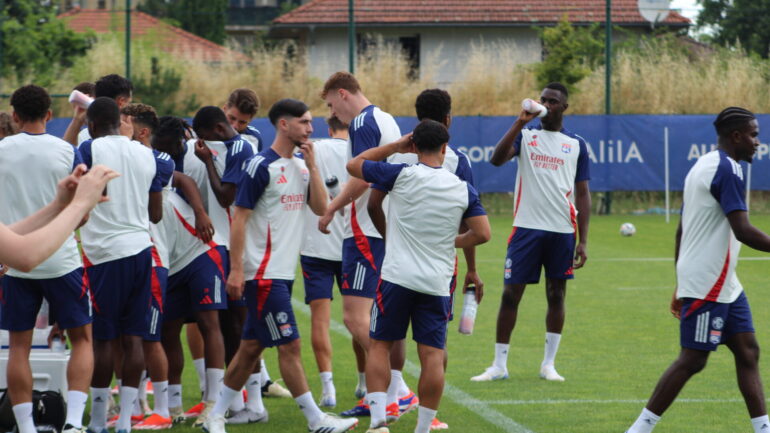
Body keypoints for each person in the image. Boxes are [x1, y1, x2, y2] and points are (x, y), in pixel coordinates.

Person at [202, 98, 357, 433]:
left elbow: (320, 208)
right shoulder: (260, 166)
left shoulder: (301, 166)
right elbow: (239, 219)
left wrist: (314, 166)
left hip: (283, 274)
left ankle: (215, 416)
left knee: (249, 350)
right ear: (283, 124)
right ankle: (316, 420)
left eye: (311, 122)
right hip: (263, 274)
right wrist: (237, 269)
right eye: (303, 122)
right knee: (290, 344)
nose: (310, 128)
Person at [625, 107, 770, 433]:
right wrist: (688, 281)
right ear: (736, 136)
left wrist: (681, 280)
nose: (757, 142)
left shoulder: (703, 164)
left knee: (748, 351)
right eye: (753, 134)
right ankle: (638, 430)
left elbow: (681, 228)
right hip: (710, 282)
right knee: (693, 358)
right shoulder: (728, 169)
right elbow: (743, 230)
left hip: (722, 281)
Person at [345, 120, 490, 433]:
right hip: (436, 282)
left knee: (381, 346)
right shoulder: (462, 188)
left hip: (396, 277)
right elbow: (483, 233)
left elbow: (355, 164)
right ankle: (423, 428)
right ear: (444, 148)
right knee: (432, 355)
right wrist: (453, 241)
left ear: (413, 146)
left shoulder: (401, 174)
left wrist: (395, 147)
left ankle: (379, 422)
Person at [0, 84, 106, 433]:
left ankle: (26, 427)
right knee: (83, 339)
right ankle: (74, 423)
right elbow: (83, 211)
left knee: (19, 345)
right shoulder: (66, 151)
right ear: (49, 114)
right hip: (61, 258)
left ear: (14, 116)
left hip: (11, 258)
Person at [473, 82, 590, 383]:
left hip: (562, 231)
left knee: (556, 294)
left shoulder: (576, 144)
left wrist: (584, 241)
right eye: (543, 99)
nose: (546, 105)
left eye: (553, 101)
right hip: (526, 228)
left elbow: (583, 194)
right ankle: (499, 365)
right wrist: (518, 122)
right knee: (511, 294)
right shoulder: (526, 136)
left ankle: (548, 364)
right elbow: (496, 159)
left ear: (564, 107)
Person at [79, 97, 173, 433]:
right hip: (142, 250)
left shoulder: (90, 149)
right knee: (134, 338)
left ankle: (100, 421)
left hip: (105, 253)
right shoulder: (147, 154)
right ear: (123, 122)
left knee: (104, 340)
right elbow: (154, 211)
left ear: (92, 125)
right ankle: (125, 424)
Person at [319, 72, 401, 411]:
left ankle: (399, 389)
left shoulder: (363, 122)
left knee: (355, 318)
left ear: (342, 94)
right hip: (381, 228)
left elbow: (364, 177)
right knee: (377, 318)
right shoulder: (385, 118)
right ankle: (382, 397)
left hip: (366, 230)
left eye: (330, 105)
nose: (332, 113)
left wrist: (331, 208)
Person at [148, 116, 229, 424]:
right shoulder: (141, 160)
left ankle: (213, 402)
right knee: (169, 330)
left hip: (201, 250)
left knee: (210, 323)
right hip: (171, 260)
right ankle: (174, 406)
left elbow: (185, 181)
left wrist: (199, 212)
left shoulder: (165, 163)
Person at [299, 116, 349, 409]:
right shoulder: (361, 151)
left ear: (329, 127)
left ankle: (327, 388)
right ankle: (364, 382)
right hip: (351, 246)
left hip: (315, 245)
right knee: (359, 317)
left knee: (320, 319)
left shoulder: (312, 149)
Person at [64, 75, 132, 147]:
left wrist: (77, 120)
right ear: (121, 102)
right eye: (129, 102)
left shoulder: (85, 137)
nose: (129, 106)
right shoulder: (134, 131)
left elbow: (66, 153)